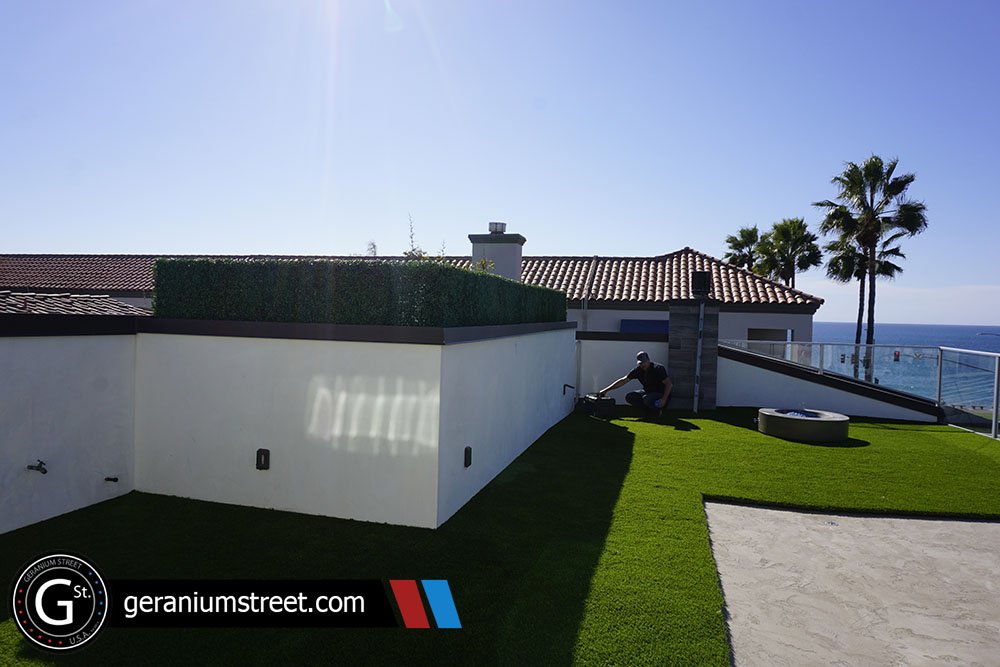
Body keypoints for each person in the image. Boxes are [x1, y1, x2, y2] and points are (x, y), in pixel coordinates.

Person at [597, 351, 673, 419]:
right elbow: (623, 381)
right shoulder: (638, 370)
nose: (643, 364)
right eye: (641, 363)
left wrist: (664, 399)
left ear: (649, 360)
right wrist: (605, 390)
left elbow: (669, 384)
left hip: (660, 394)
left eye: (645, 362)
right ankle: (649, 411)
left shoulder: (658, 368)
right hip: (648, 392)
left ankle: (657, 412)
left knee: (646, 398)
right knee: (630, 397)